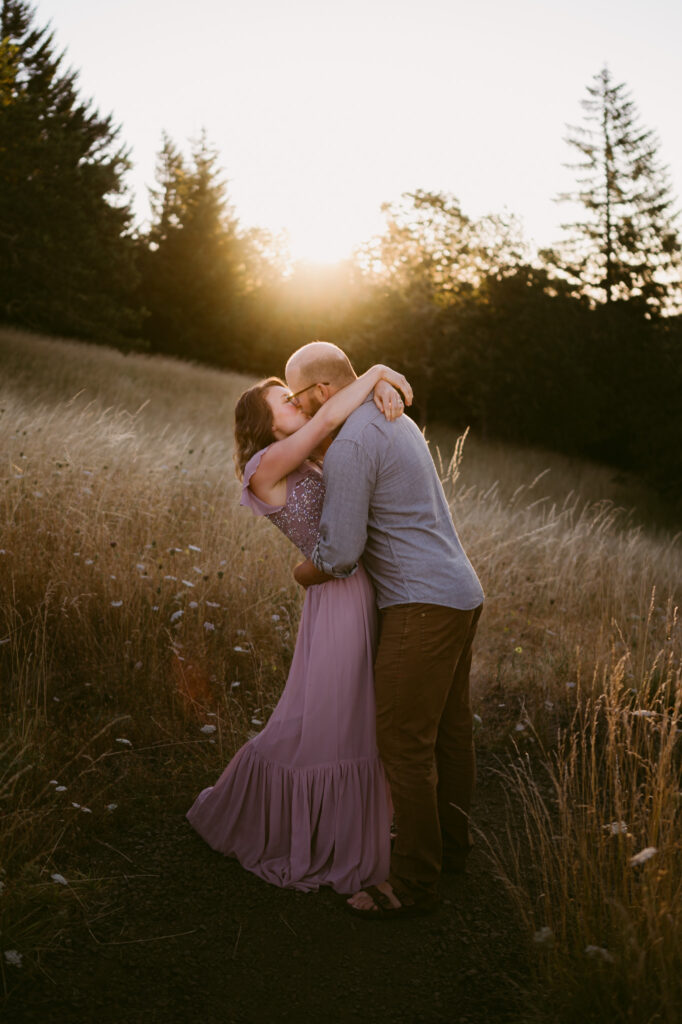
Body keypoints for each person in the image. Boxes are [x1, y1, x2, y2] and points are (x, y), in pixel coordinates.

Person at [186, 360, 413, 894]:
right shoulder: (263, 466)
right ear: (264, 425)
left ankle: (352, 827)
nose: (296, 404)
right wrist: (377, 368)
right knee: (332, 720)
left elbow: (339, 426)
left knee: (352, 714)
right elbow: (327, 414)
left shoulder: (305, 457)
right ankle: (288, 827)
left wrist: (379, 387)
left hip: (355, 588)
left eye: (292, 396)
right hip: (337, 598)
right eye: (284, 402)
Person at [287, 341, 484, 919]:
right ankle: (451, 851)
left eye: (299, 398)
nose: (297, 412)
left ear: (324, 392)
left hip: (421, 604)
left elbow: (341, 554)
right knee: (449, 732)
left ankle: (414, 882)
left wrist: (300, 571)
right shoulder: (391, 415)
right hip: (460, 593)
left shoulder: (352, 442)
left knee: (403, 742)